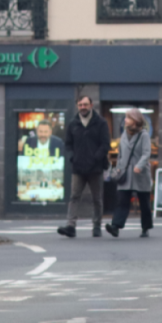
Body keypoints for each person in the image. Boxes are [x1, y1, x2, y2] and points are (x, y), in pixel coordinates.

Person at [58, 95, 110, 238]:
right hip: (78, 168)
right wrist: (72, 157)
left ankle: (97, 226)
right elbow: (67, 144)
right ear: (77, 106)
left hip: (95, 168)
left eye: (85, 104)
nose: (83, 107)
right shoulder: (73, 123)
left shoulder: (101, 123)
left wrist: (96, 158)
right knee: (74, 196)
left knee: (97, 198)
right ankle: (70, 226)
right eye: (80, 105)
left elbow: (105, 144)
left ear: (91, 105)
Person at [105, 108, 153, 238]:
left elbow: (146, 153)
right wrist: (119, 168)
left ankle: (145, 228)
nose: (125, 120)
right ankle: (115, 226)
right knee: (122, 200)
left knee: (144, 203)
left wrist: (139, 166)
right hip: (125, 173)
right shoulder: (124, 135)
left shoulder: (144, 135)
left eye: (128, 118)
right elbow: (121, 154)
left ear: (135, 120)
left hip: (140, 173)